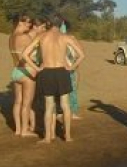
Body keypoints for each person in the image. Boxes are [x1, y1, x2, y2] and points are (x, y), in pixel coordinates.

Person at [22, 14, 85, 143]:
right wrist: (72, 67)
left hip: (47, 72)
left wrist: (37, 67)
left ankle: (47, 138)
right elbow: (82, 55)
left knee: (49, 106)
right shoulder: (65, 37)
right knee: (65, 105)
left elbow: (25, 54)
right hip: (62, 71)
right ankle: (67, 136)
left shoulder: (42, 36)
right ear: (61, 23)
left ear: (49, 23)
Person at [8, 14, 37, 137]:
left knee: (17, 102)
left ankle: (18, 129)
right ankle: (25, 130)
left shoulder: (11, 37)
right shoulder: (24, 37)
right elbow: (33, 52)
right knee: (27, 103)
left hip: (15, 70)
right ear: (20, 22)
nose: (29, 25)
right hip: (26, 71)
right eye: (27, 22)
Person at [60, 19, 83, 120]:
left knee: (70, 91)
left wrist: (73, 67)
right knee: (64, 91)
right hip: (63, 68)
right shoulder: (64, 38)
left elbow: (80, 53)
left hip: (68, 69)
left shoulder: (71, 38)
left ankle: (71, 112)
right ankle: (65, 111)